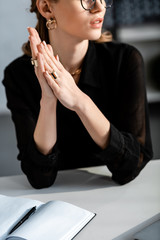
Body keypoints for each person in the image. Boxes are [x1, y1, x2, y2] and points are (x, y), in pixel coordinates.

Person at [2, 0, 153, 189]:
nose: (100, 7)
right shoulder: (18, 75)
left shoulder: (125, 60)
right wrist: (48, 100)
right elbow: (39, 178)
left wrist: (81, 102)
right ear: (47, 8)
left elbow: (131, 166)